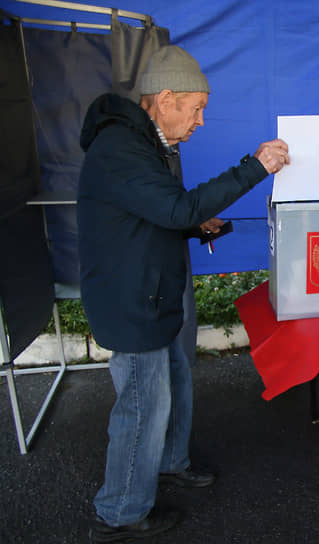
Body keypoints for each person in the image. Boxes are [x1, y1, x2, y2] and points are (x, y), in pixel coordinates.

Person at [78, 45, 290, 542]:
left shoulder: (148, 143)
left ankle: (169, 461)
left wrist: (196, 224)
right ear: (166, 98)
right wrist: (254, 167)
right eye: (196, 108)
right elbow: (173, 209)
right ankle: (121, 511)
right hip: (132, 300)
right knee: (141, 406)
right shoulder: (119, 147)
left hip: (155, 292)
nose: (200, 121)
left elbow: (159, 211)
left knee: (174, 384)